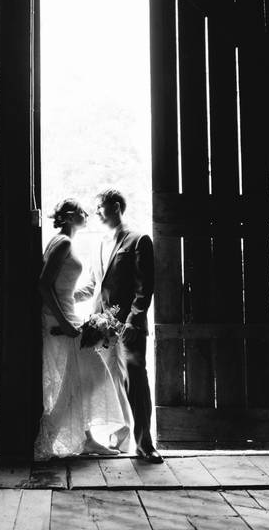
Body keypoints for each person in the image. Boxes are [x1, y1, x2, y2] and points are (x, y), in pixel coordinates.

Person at [34, 198, 130, 460]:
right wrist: (65, 324)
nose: (87, 214)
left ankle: (87, 439)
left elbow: (62, 288)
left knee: (79, 378)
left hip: (68, 316)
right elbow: (44, 285)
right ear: (67, 216)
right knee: (89, 375)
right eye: (81, 211)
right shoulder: (63, 242)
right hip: (61, 320)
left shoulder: (63, 242)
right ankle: (52, 435)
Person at [74, 189, 163, 463]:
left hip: (127, 327)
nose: (97, 212)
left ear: (115, 207)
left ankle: (145, 444)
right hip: (99, 328)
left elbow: (144, 288)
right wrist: (64, 295)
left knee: (135, 382)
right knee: (104, 383)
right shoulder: (99, 244)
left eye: (100, 207)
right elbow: (92, 285)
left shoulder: (139, 240)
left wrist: (134, 321)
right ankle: (118, 435)